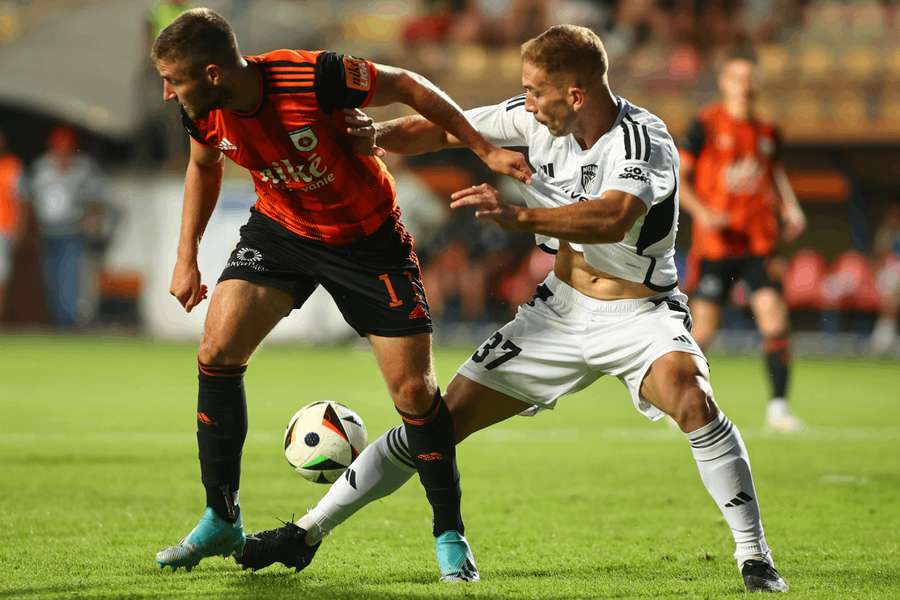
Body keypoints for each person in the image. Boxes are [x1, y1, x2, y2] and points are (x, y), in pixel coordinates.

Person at [236, 25, 789, 593]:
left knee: (692, 397)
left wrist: (518, 218)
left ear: (574, 95)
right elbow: (447, 129)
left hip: (640, 315)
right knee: (436, 425)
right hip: (557, 314)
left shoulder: (643, 140)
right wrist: (374, 135)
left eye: (533, 90)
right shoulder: (536, 119)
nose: (524, 101)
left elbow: (612, 217)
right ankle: (305, 533)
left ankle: (755, 556)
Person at [149, 8, 532, 581]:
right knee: (217, 352)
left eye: (173, 79)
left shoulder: (315, 77)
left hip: (367, 240)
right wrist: (186, 258)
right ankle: (221, 515)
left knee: (414, 392)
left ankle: (449, 531)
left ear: (212, 73)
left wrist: (481, 148)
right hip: (281, 231)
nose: (165, 92)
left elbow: (407, 85)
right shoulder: (200, 112)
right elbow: (203, 167)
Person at [678, 50, 806, 433]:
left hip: (758, 242)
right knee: (703, 331)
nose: (744, 85)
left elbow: (774, 175)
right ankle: (683, 401)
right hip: (716, 244)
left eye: (750, 77)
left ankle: (779, 408)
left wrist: (792, 207)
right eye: (737, 77)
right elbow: (681, 182)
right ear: (724, 81)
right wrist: (702, 212)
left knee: (775, 320)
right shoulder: (703, 126)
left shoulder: (768, 133)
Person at [22, 126, 106, 327]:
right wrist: (29, 228)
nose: (62, 151)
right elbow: (28, 197)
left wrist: (91, 220)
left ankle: (68, 322)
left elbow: (97, 196)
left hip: (71, 231)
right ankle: (57, 319)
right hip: (47, 231)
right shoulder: (42, 167)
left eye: (66, 146)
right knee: (51, 278)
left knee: (69, 277)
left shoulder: (82, 168)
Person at [0, 130, 23, 321]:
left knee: (1, 276)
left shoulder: (12, 166)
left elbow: (20, 201)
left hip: (3, 228)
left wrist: (19, 230)